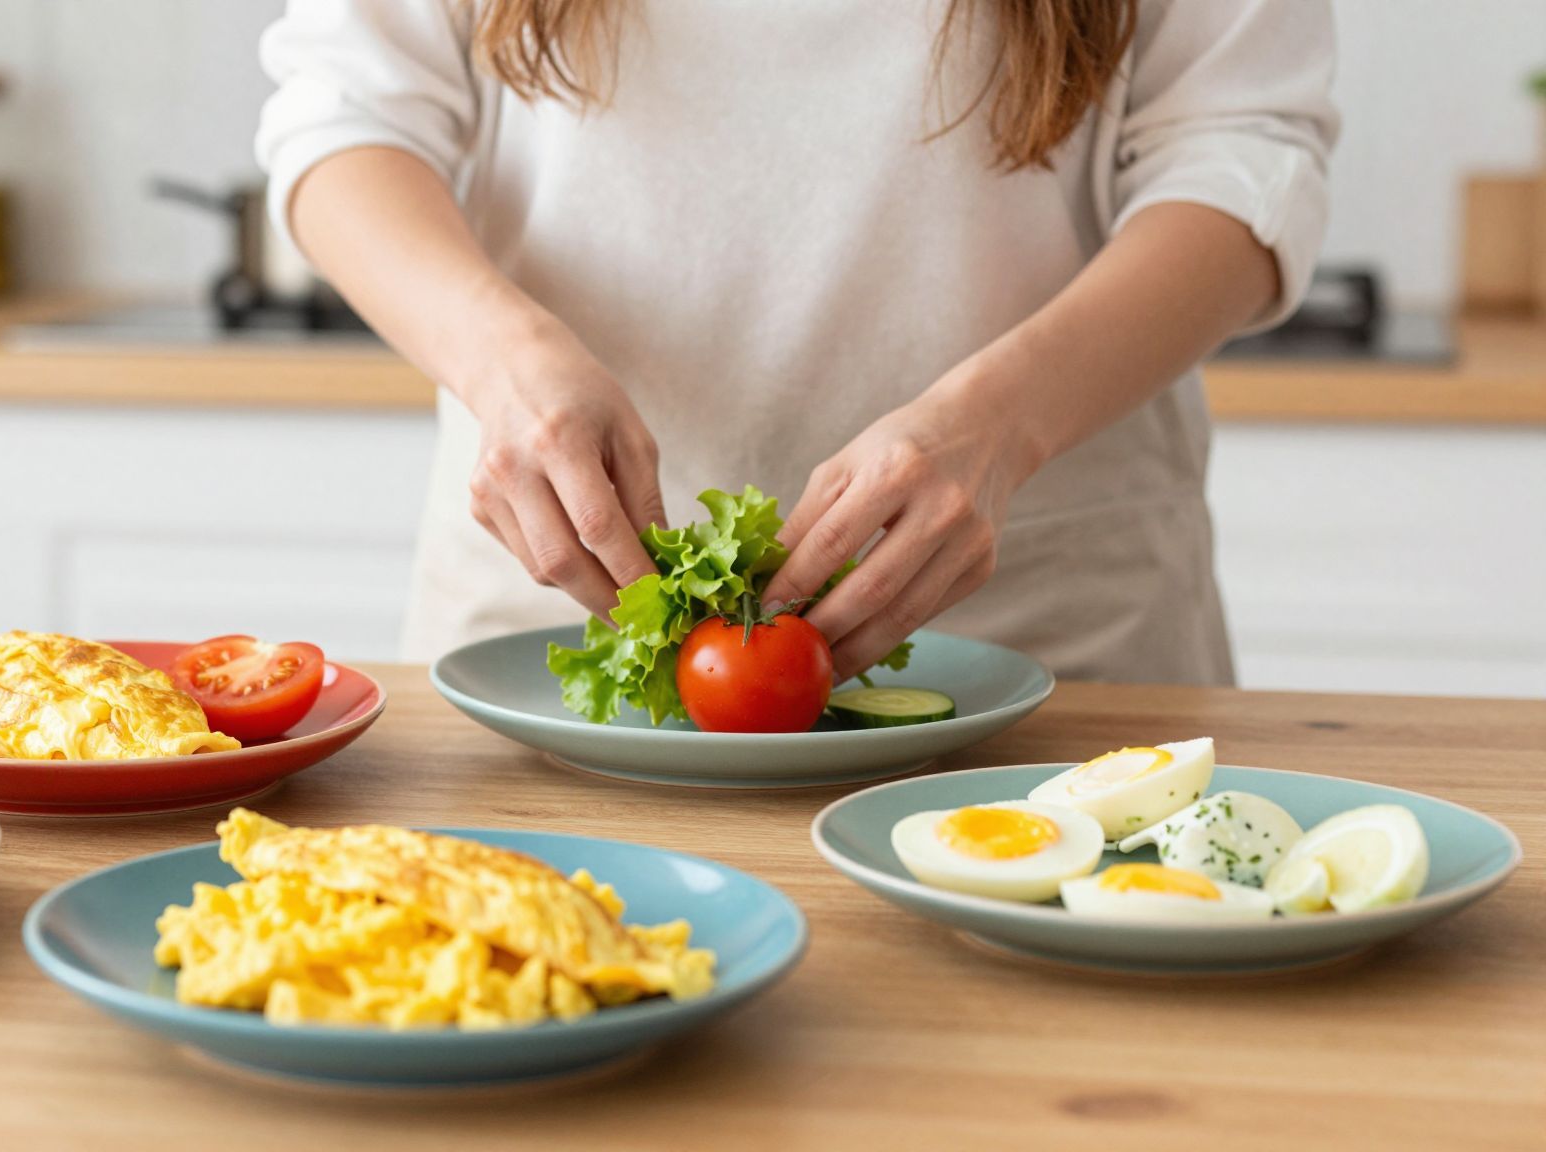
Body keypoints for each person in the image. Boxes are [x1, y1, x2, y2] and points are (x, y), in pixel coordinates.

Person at [256, 0, 1337, 684]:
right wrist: (504, 363)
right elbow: (344, 117)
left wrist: (1003, 425)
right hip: (551, 616)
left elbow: (1243, 149)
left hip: (1046, 633)